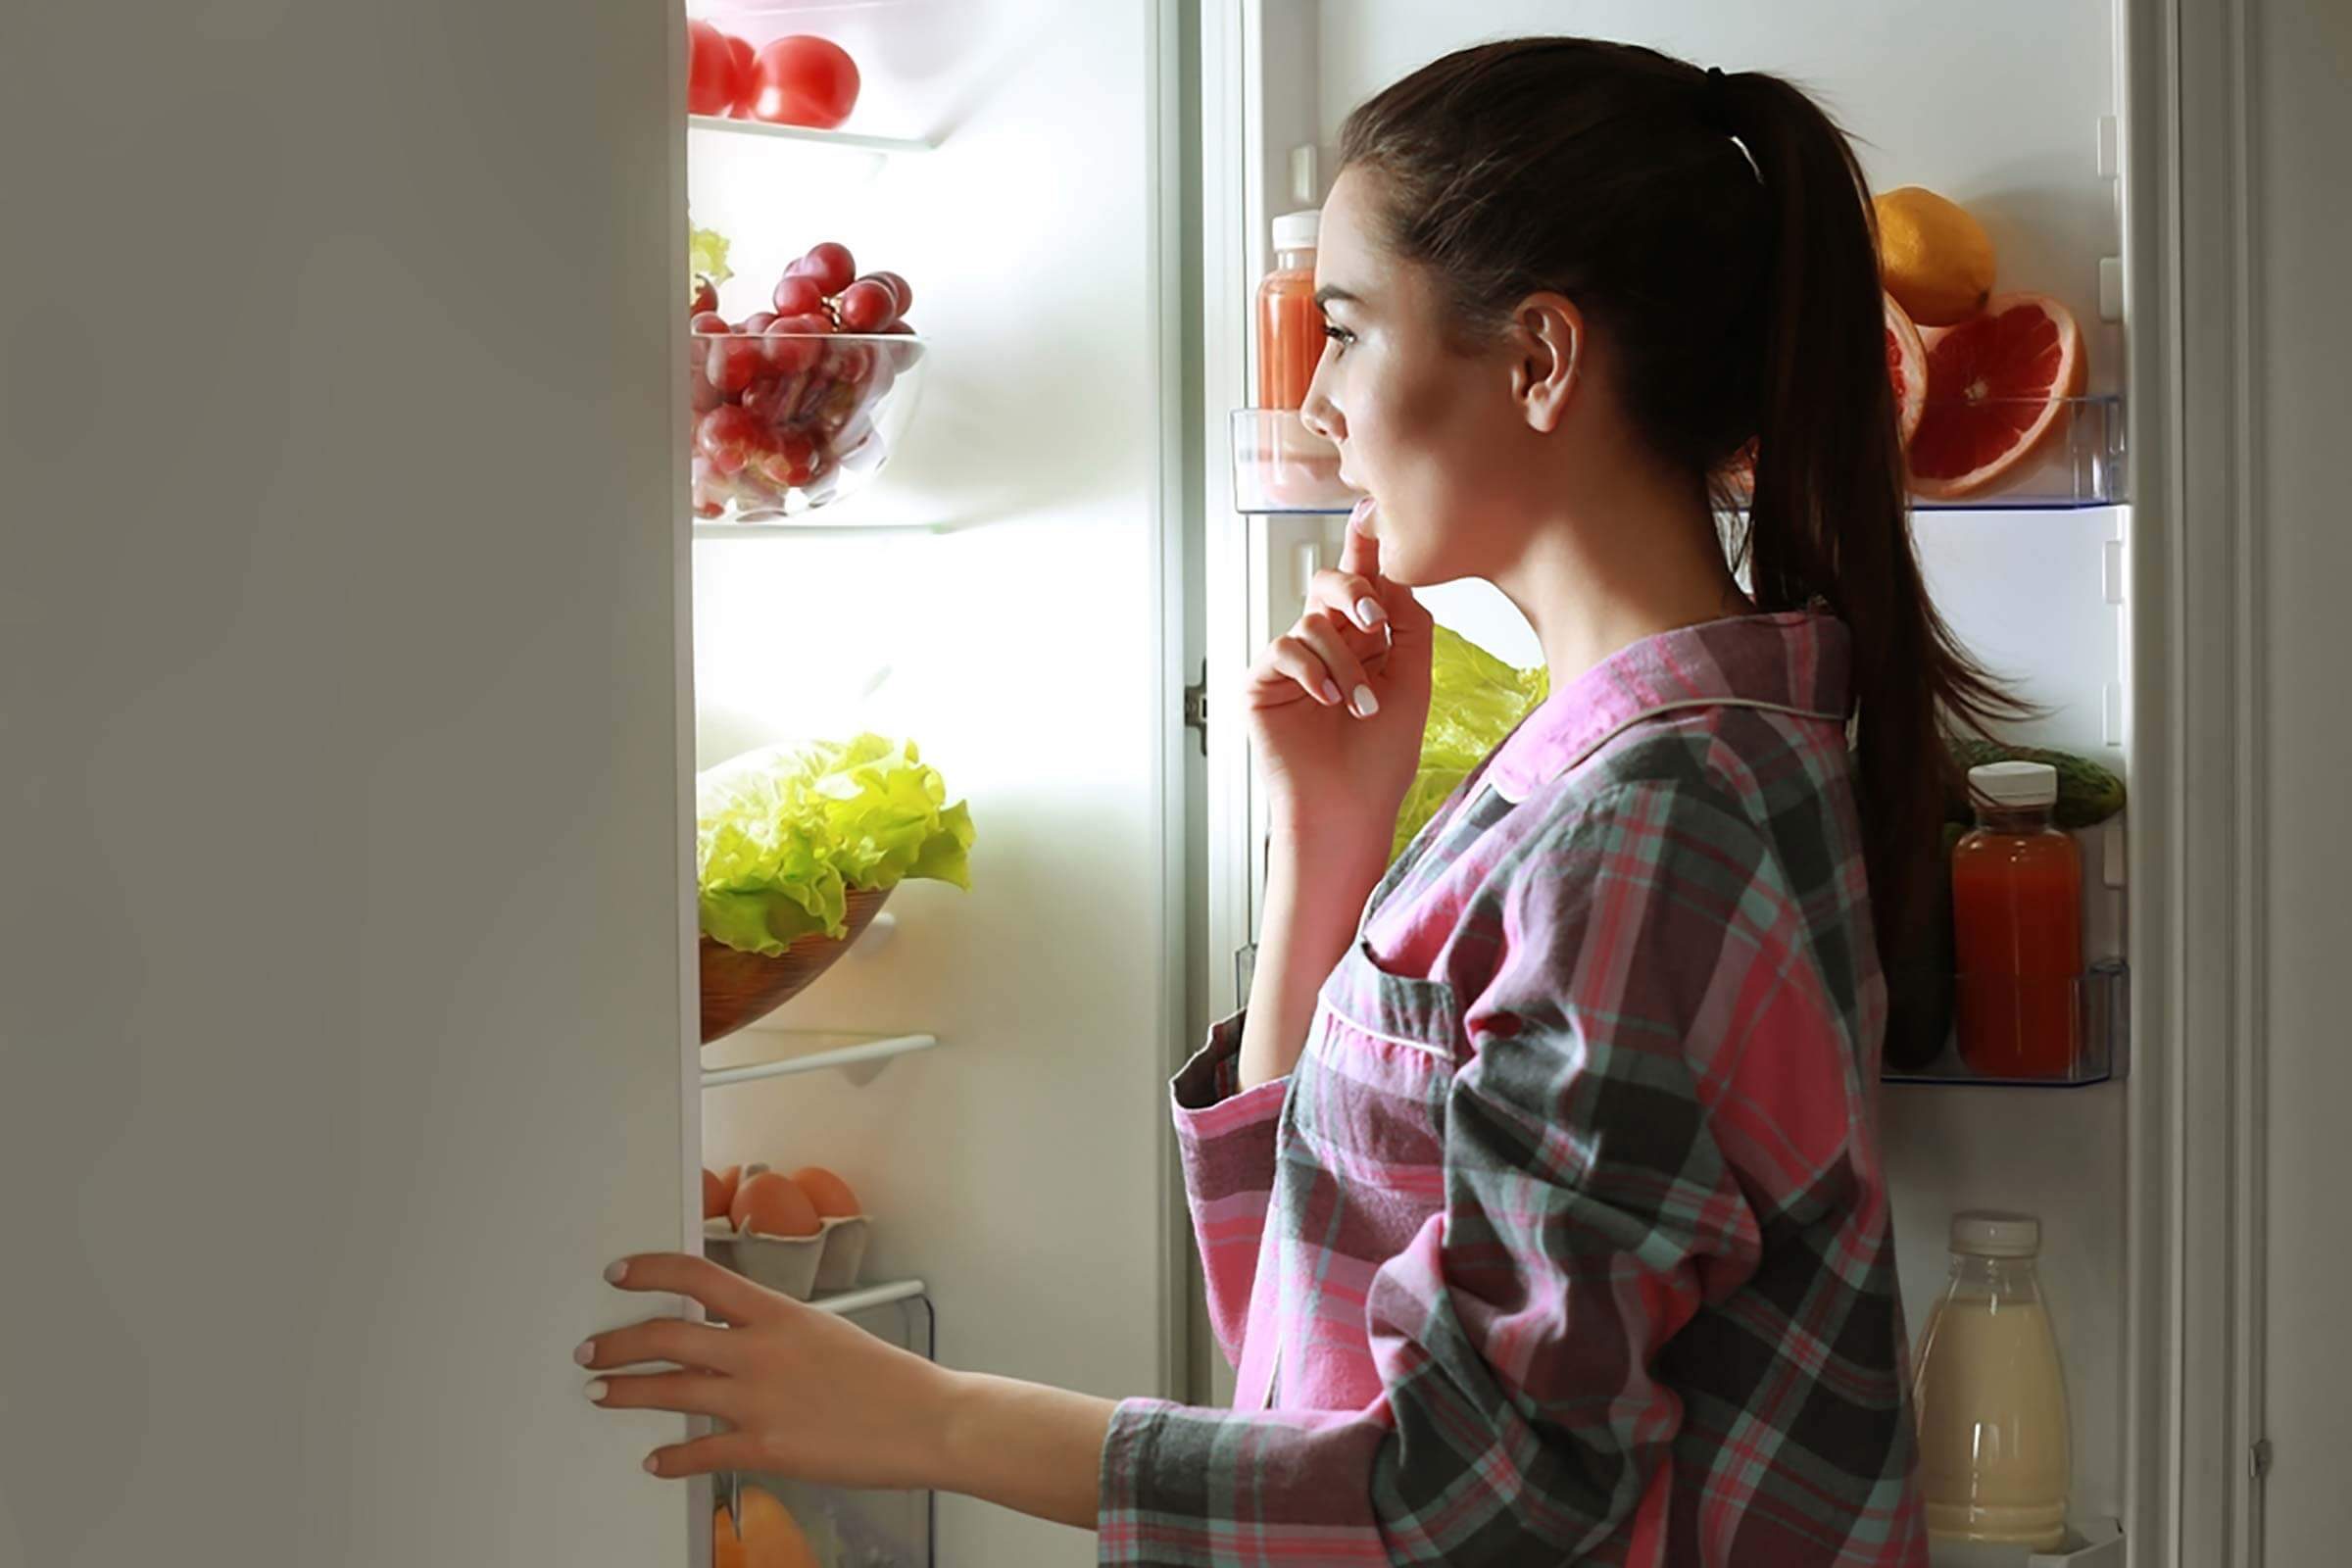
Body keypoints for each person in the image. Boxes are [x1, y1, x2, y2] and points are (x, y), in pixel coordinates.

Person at [576, 37, 2014, 1566]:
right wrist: (1325, 844)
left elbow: (1483, 1495)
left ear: (1538, 360)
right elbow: (1305, 1330)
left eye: (1342, 328)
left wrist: (929, 1421)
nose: (1316, 399)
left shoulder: (1655, 820)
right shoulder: (1623, 767)